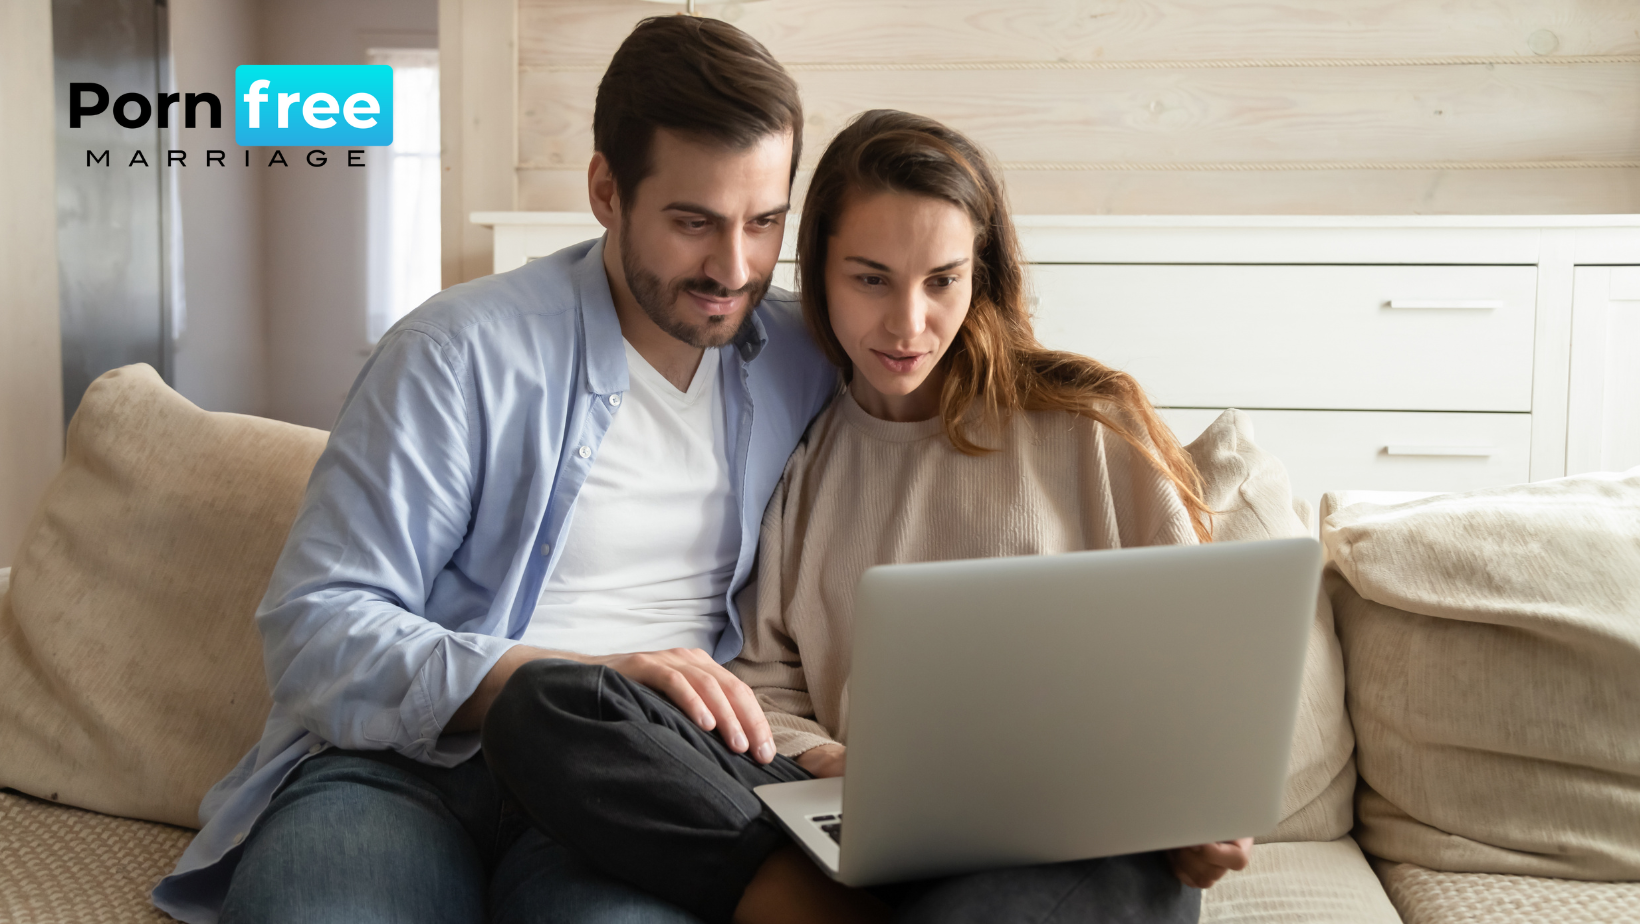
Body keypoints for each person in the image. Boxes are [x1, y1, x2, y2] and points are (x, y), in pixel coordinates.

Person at [481, 110, 1254, 924]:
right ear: (818, 271)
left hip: (1072, 838)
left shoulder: (1090, 428)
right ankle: (805, 899)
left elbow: (1198, 676)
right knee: (548, 705)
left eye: (942, 280)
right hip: (855, 812)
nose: (907, 323)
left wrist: (1204, 808)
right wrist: (836, 764)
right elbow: (766, 685)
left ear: (980, 274)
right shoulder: (803, 447)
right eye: (871, 278)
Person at [151, 16, 831, 924]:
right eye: (692, 222)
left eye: (765, 222)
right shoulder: (456, 351)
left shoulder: (802, 350)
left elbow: (956, 369)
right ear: (605, 190)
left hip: (645, 787)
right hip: (406, 771)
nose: (735, 267)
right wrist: (567, 681)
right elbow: (318, 628)